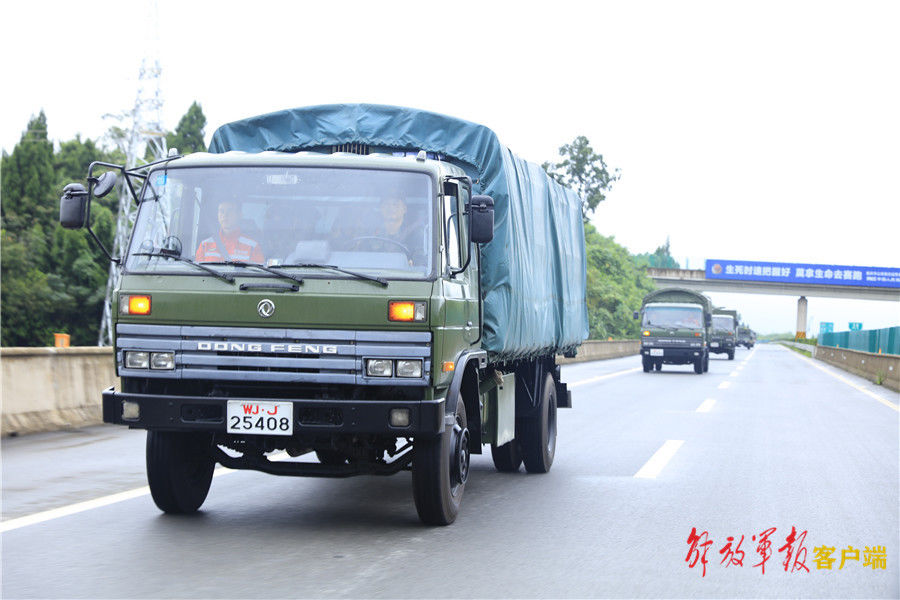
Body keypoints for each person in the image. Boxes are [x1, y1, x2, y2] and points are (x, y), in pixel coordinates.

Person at [195, 200, 264, 263]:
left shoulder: (252, 247)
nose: (225, 215)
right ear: (217, 215)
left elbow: (258, 275)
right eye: (222, 211)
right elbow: (197, 274)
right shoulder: (205, 245)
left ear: (239, 215)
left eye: (230, 211)